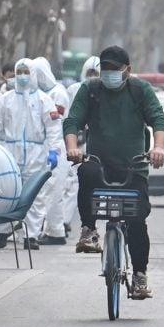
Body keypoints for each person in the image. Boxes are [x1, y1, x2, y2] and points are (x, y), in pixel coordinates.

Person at [64, 45, 164, 300]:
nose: (109, 74)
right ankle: (89, 230)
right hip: (99, 161)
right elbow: (73, 121)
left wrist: (158, 148)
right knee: (86, 172)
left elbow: (158, 119)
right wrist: (73, 147)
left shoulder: (140, 90)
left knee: (137, 221)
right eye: (105, 69)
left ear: (128, 70)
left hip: (134, 164)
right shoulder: (90, 89)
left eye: (114, 69)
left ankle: (140, 275)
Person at [0, 59, 62, 250]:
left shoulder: (44, 100)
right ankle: (2, 231)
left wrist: (54, 151)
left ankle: (31, 235)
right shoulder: (5, 99)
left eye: (25, 72)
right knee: (6, 192)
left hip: (36, 153)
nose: (22, 76)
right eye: (19, 71)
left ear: (33, 74)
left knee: (34, 195)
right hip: (9, 151)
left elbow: (54, 128)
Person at [31, 58, 70, 245]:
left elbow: (56, 124)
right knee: (44, 191)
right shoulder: (37, 94)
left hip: (56, 147)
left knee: (54, 191)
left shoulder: (58, 94)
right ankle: (53, 230)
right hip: (42, 147)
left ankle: (55, 231)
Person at [63, 56, 100, 227]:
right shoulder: (74, 89)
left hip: (93, 141)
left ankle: (68, 220)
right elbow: (70, 117)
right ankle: (65, 221)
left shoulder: (103, 91)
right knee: (69, 181)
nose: (92, 76)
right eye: (90, 73)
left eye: (96, 73)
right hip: (74, 142)